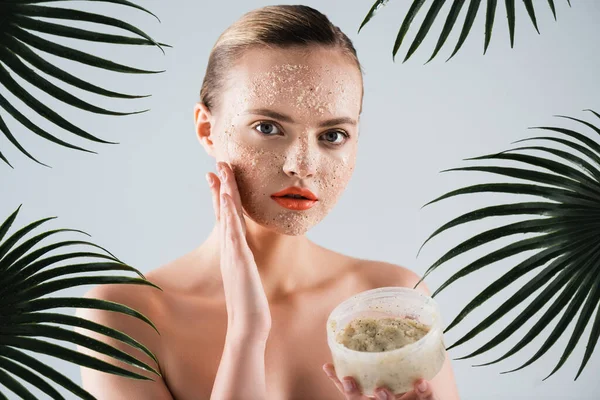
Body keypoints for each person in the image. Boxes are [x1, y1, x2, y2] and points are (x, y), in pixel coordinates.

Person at [76, 5, 460, 400]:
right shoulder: (123, 318)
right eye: (268, 128)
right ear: (207, 129)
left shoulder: (392, 299)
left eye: (332, 135)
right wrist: (246, 330)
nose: (302, 166)